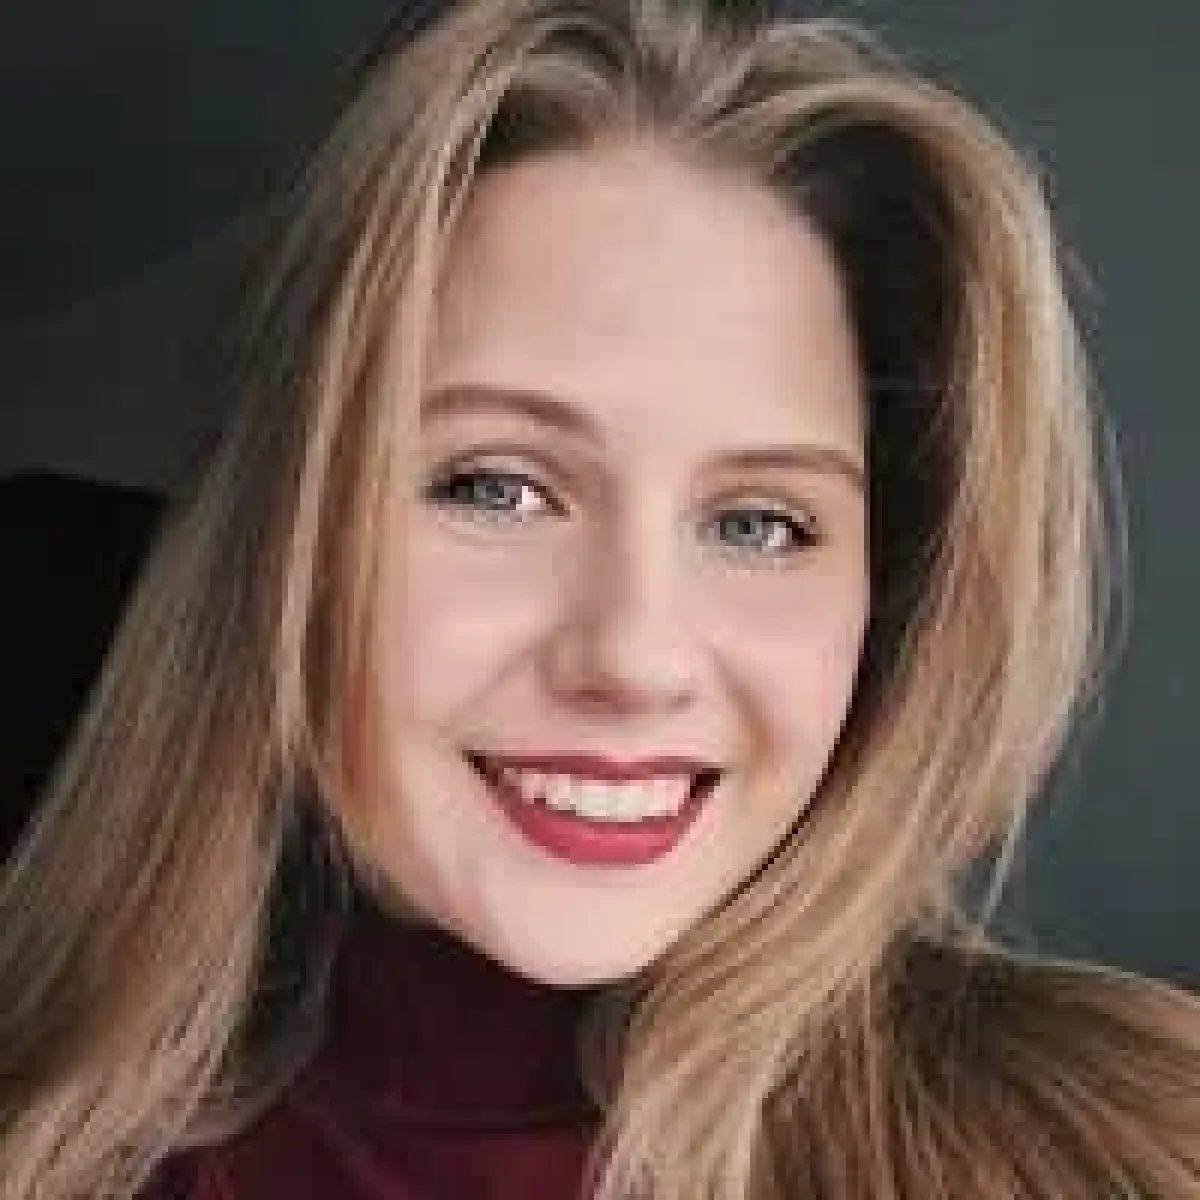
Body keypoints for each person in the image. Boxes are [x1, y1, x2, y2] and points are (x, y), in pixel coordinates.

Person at [4, 0, 1199, 1194]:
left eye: (759, 523)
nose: (634, 657)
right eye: (498, 489)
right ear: (288, 544)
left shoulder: (1128, 1139)